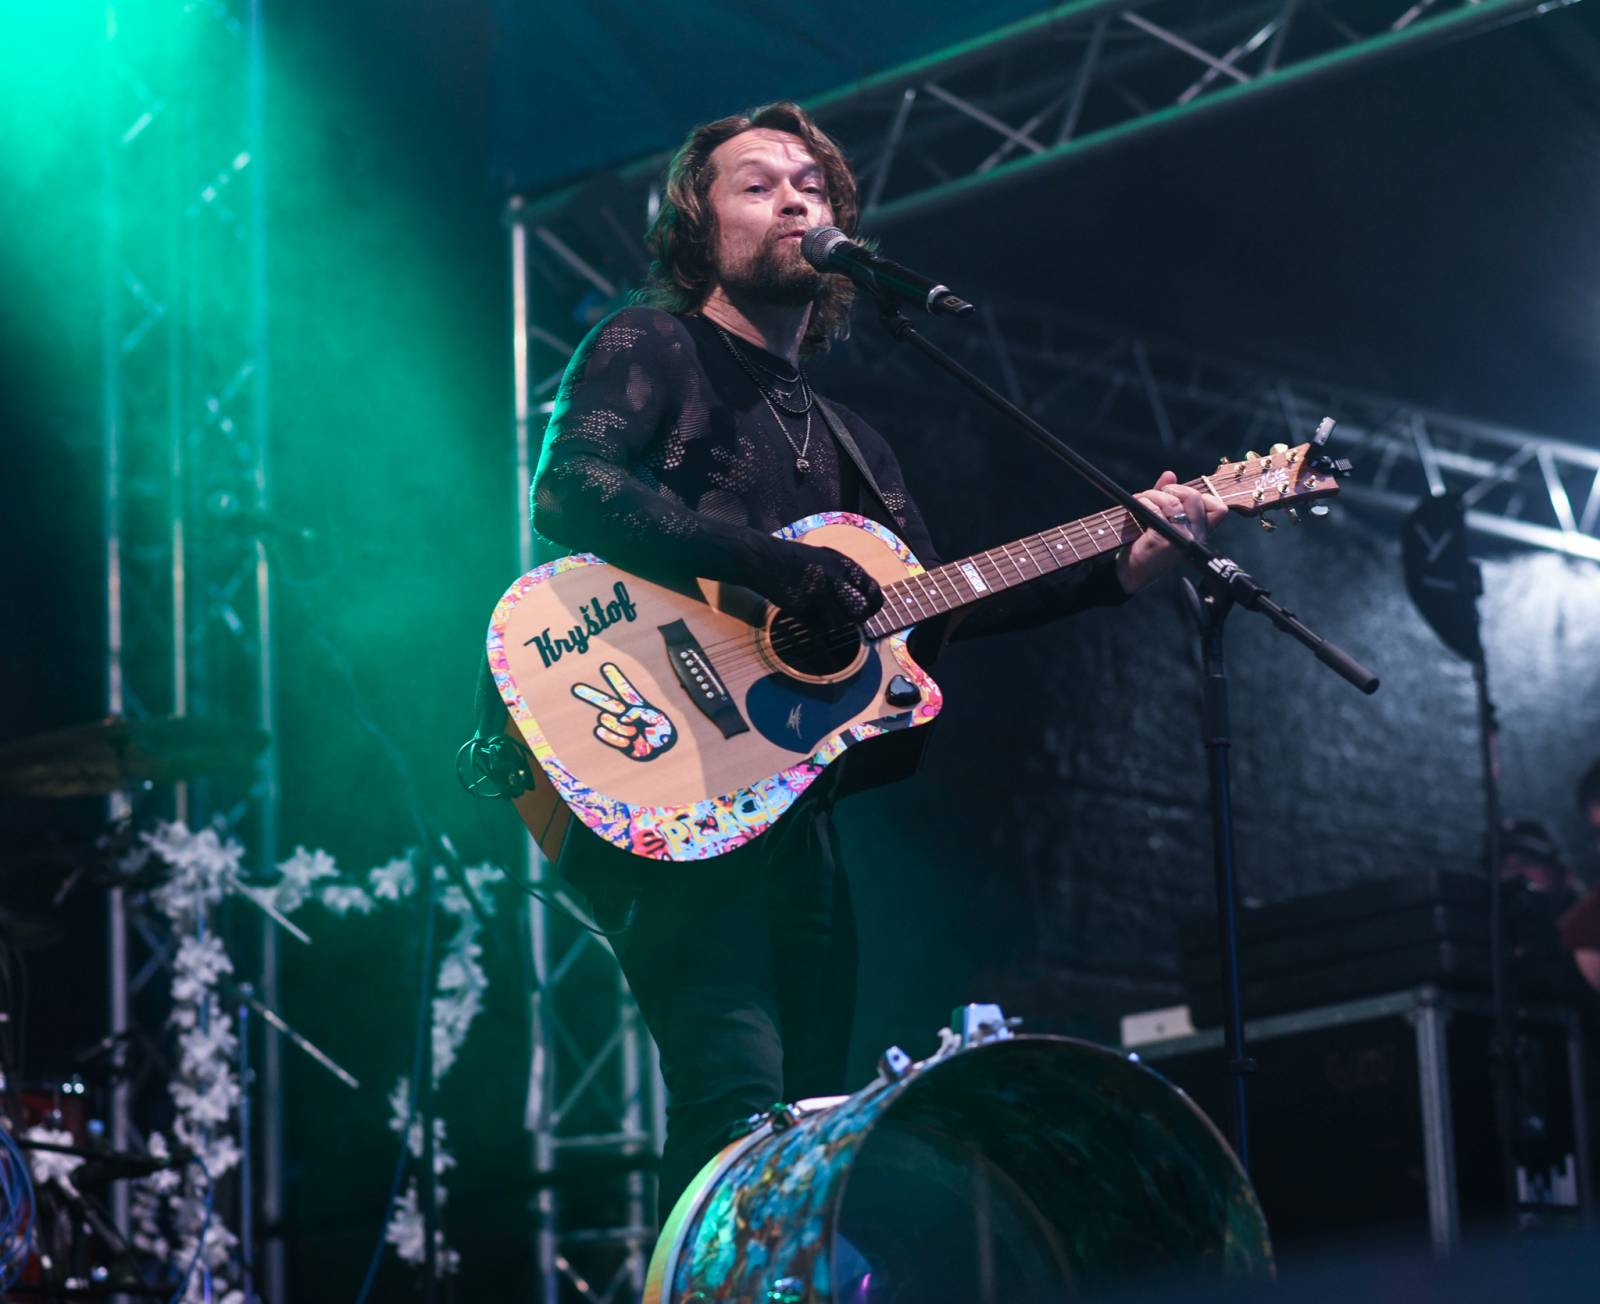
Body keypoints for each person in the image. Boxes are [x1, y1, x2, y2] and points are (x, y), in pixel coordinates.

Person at [527, 100, 1228, 1220]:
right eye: (756, 184)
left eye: (810, 184)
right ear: (695, 229)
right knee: (730, 1095)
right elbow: (571, 489)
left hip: (790, 808)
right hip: (657, 736)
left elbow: (927, 612)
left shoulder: (859, 441)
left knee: (808, 1120)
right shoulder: (649, 340)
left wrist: (1120, 564)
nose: (793, 199)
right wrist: (773, 568)